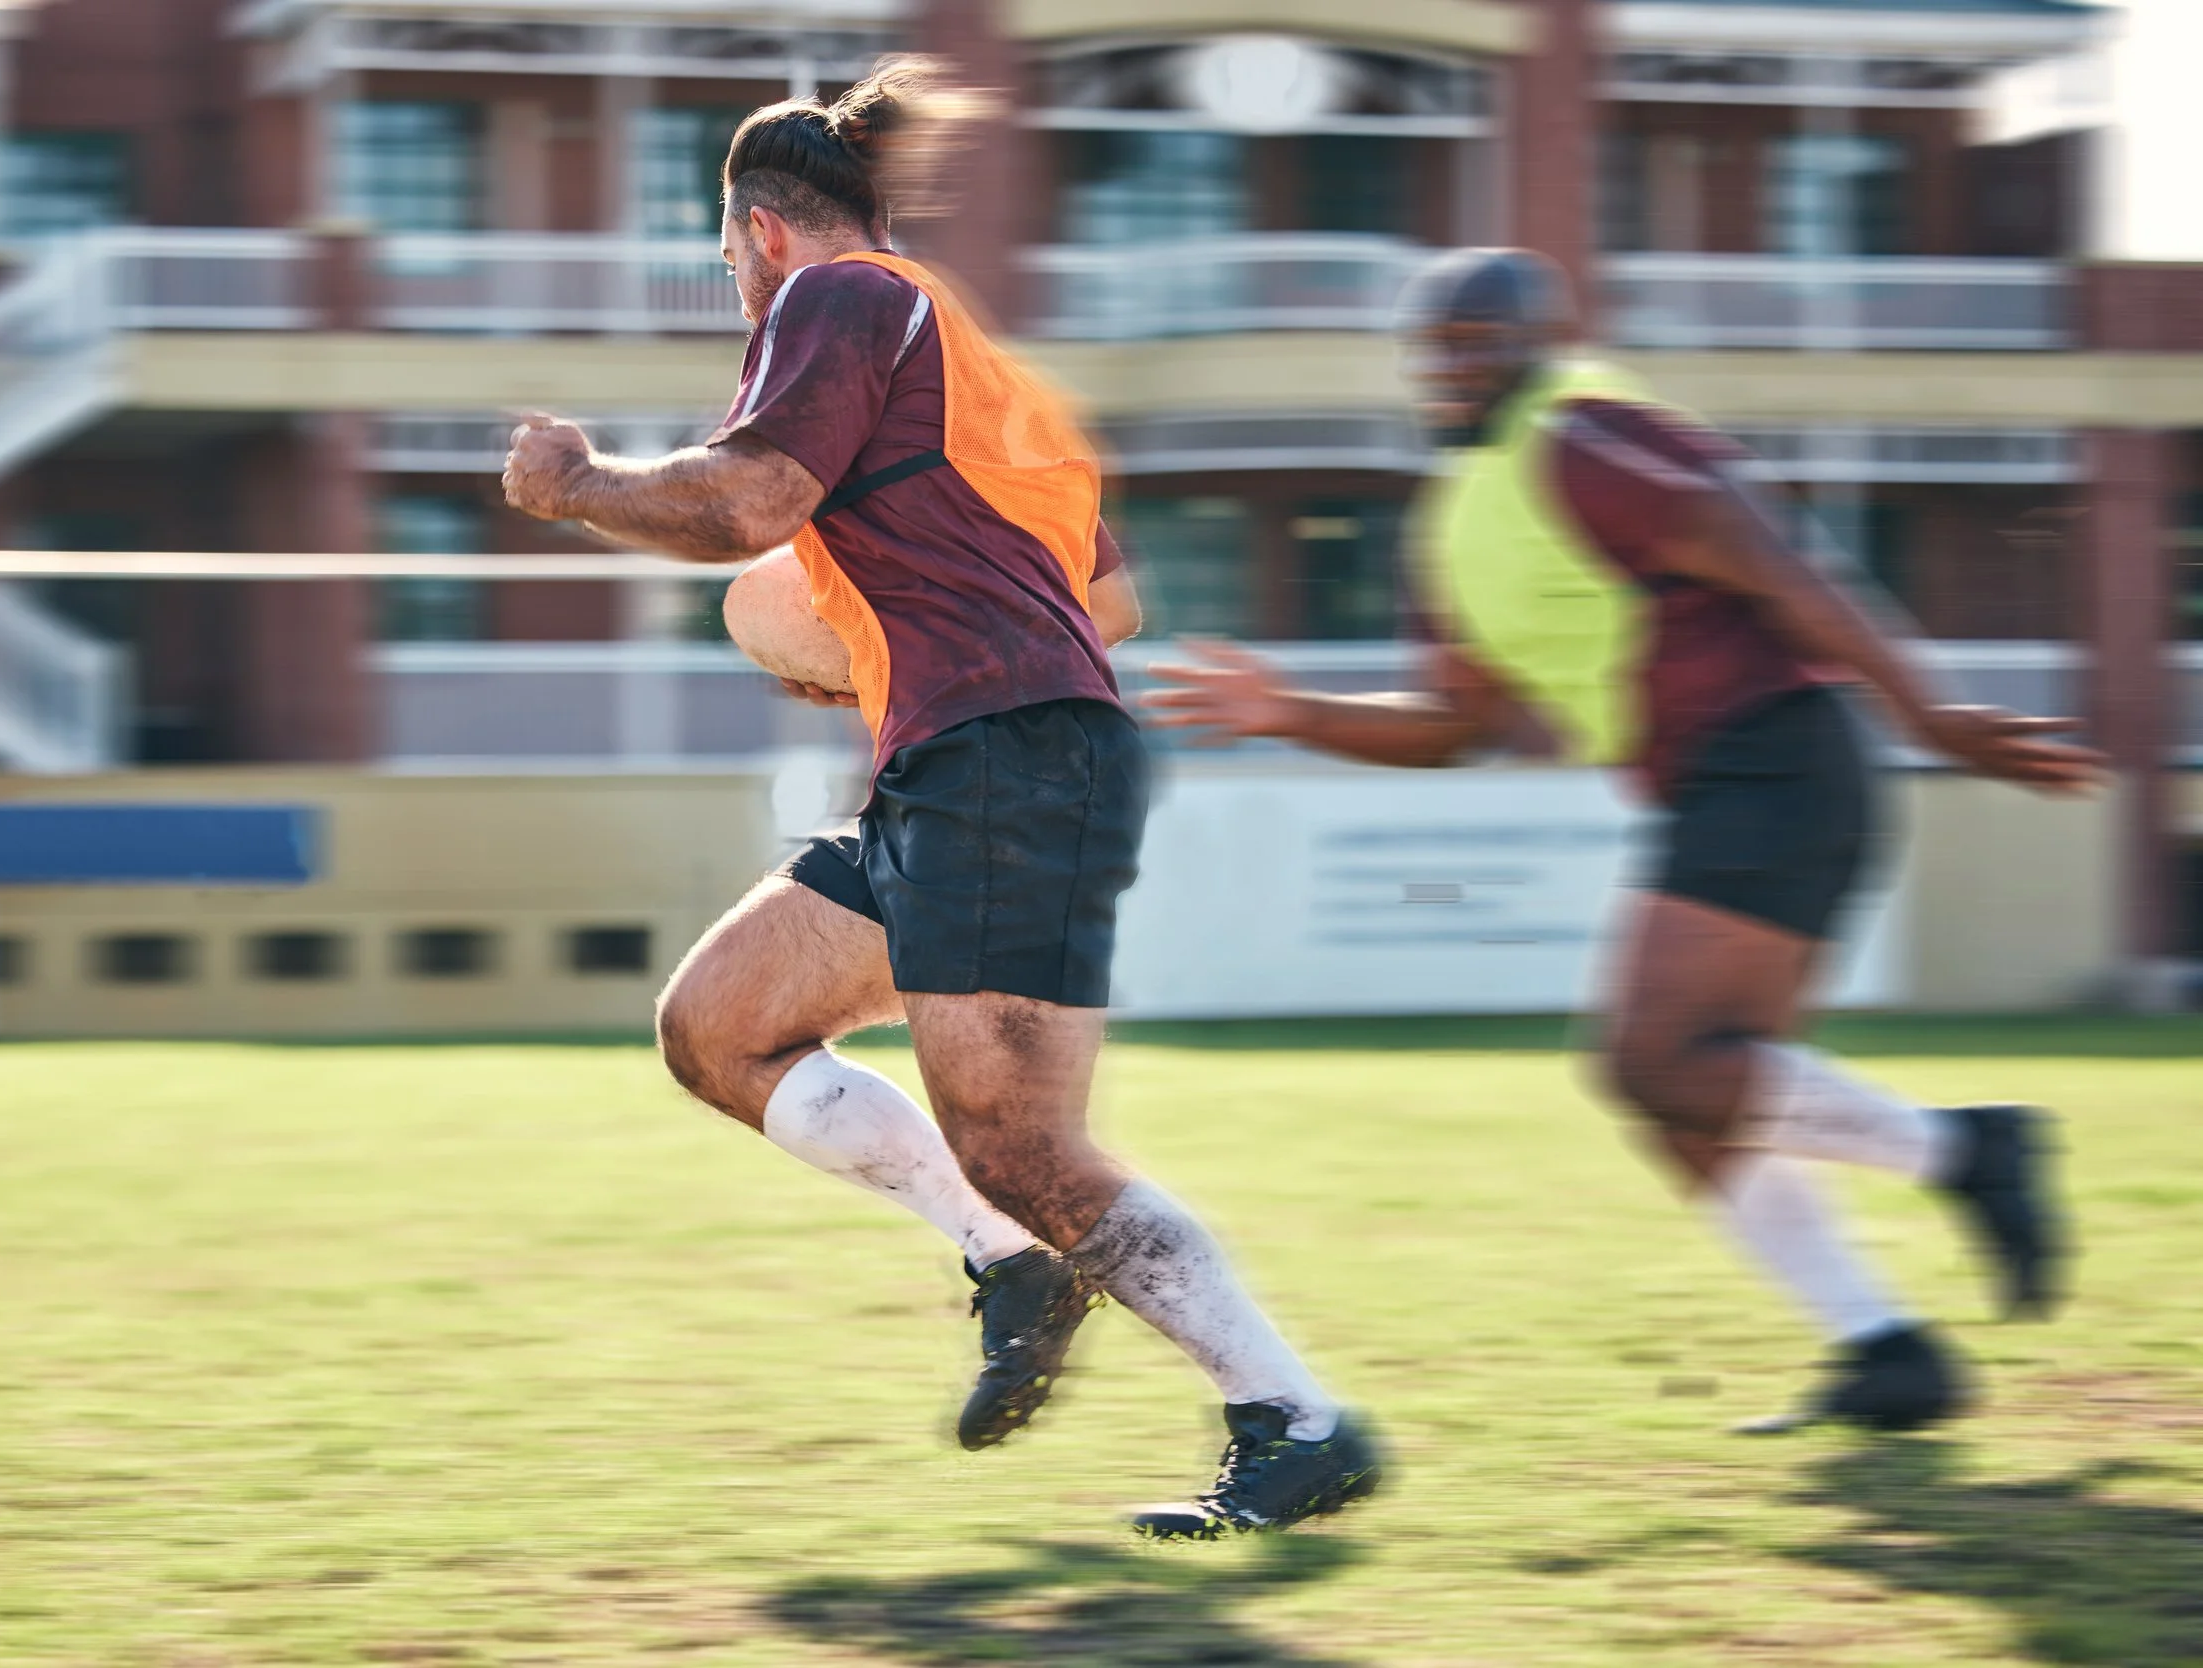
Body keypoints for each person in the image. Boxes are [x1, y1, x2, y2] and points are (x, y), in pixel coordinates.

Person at [502, 58, 1378, 1538]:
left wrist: (581, 482)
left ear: (764, 231)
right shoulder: (993, 376)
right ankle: (1008, 1263)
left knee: (1026, 1145)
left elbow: (748, 502)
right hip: (974, 751)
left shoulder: (839, 300)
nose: (736, 289)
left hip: (1010, 760)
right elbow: (1110, 605)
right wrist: (872, 647)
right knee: (717, 1029)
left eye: (728, 262)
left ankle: (1296, 1420)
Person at [1147, 247, 2098, 1434]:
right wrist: (1292, 712)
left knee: (1653, 1061)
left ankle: (1969, 1152)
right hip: (1722, 782)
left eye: (1481, 343)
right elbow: (1458, 725)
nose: (1453, 370)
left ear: (1539, 339)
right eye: (1436, 351)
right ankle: (1884, 1348)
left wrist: (1927, 712)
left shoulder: (1578, 437)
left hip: (1778, 753)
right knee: (1685, 1094)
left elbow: (1765, 554)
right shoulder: (1452, 524)